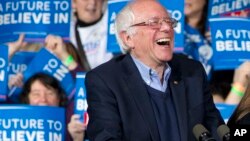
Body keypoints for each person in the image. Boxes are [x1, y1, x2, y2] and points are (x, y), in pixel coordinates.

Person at [85, 1, 224, 141]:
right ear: (128, 38)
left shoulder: (193, 72)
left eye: (169, 22)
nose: (166, 28)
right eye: (154, 22)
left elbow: (216, 129)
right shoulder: (105, 80)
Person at [70, 0, 113, 70]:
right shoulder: (66, 35)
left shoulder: (114, 24)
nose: (92, 2)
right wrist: (67, 60)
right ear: (73, 3)